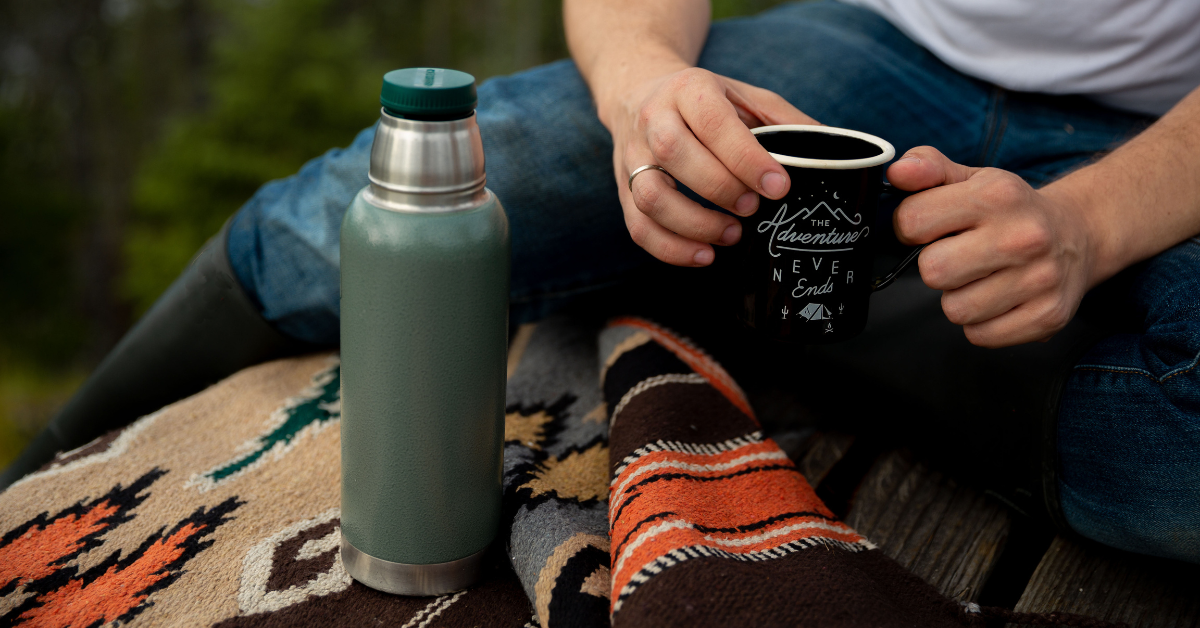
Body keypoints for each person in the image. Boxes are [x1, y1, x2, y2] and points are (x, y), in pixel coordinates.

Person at [3, 0, 1198, 563]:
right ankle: (31, 490)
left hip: (1165, 143)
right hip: (874, 51)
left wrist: (1089, 223)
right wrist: (638, 89)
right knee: (378, 203)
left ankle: (810, 327)